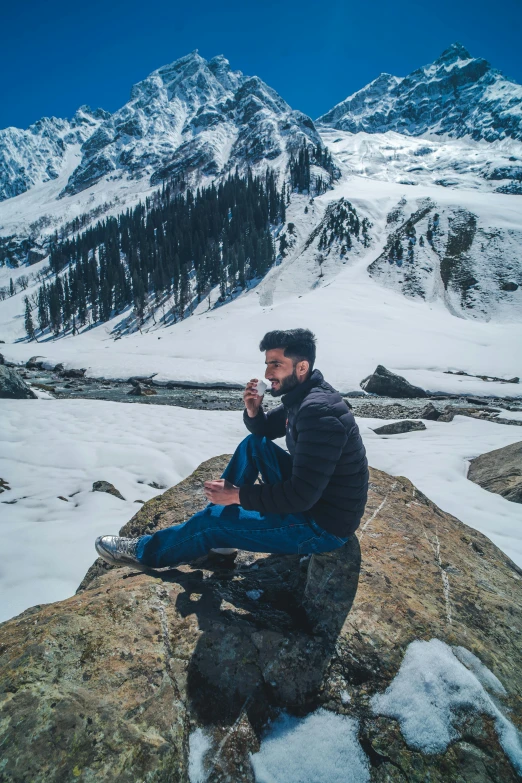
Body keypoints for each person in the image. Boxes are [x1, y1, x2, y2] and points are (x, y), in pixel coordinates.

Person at [95, 328, 369, 570]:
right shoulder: (304, 395)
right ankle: (220, 532)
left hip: (321, 526)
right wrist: (254, 410)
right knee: (254, 446)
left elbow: (301, 497)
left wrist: (238, 495)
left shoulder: (317, 411)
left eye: (276, 364)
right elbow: (263, 432)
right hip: (318, 500)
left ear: (301, 367)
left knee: (211, 523)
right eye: (267, 364)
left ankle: (146, 551)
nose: (267, 374)